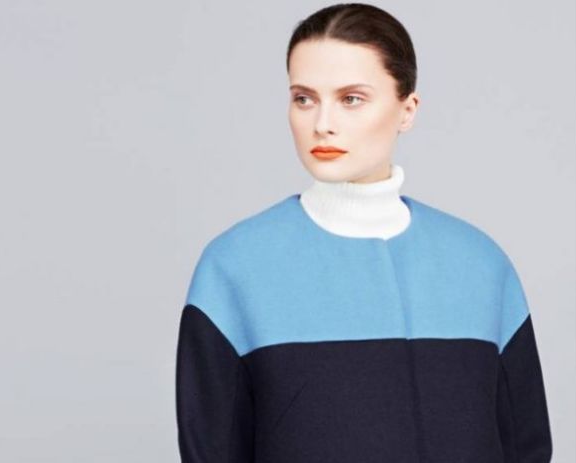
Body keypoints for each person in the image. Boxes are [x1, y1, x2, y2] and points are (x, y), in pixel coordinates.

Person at [175, 3, 553, 462]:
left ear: (407, 110)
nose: (322, 124)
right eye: (304, 98)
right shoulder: (234, 268)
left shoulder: (481, 265)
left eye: (351, 98)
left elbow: (527, 447)